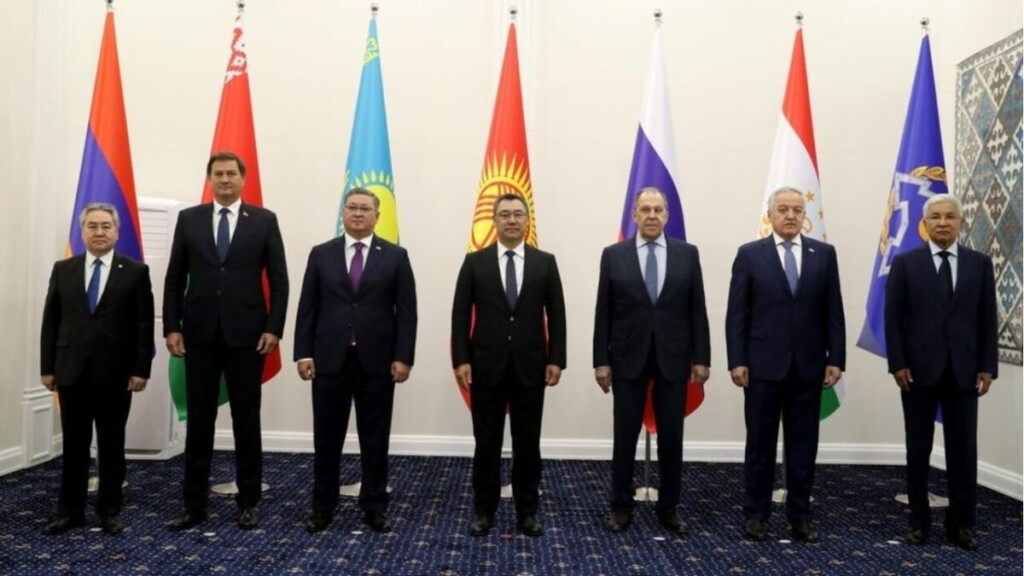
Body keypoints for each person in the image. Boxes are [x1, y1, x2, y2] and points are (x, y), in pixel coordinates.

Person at [163, 151, 289, 531]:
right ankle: (194, 506)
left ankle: (248, 502)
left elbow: (279, 280)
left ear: (242, 178)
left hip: (248, 337)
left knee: (246, 421)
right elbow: (174, 277)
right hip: (199, 336)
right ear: (210, 179)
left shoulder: (264, 220)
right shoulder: (190, 219)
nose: (224, 179)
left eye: (231, 173)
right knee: (199, 423)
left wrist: (274, 328)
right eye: (218, 174)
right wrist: (172, 326)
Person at [725, 186, 845, 543]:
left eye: (797, 209)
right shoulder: (750, 254)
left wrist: (836, 358)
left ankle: (800, 516)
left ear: (804, 215)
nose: (790, 215)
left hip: (809, 367)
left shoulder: (824, 254)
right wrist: (737, 360)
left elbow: (833, 311)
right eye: (783, 209)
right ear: (770, 214)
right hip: (761, 367)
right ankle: (756, 515)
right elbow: (737, 314)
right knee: (760, 446)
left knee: (803, 448)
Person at [294, 188, 417, 534]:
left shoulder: (395, 256)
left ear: (377, 216)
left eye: (365, 208)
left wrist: (403, 357)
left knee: (375, 438)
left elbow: (407, 312)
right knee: (326, 438)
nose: (358, 213)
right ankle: (323, 506)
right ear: (343, 213)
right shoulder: (321, 254)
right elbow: (307, 308)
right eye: (352, 207)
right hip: (328, 360)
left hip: (377, 362)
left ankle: (374, 506)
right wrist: (303, 352)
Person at [593, 187, 711, 536]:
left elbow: (697, 310)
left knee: (672, 438)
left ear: (667, 215)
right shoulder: (613, 255)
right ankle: (620, 505)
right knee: (625, 435)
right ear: (634, 215)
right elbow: (604, 312)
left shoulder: (687, 254)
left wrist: (702, 358)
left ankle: (669, 506)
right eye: (645, 209)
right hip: (627, 358)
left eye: (658, 210)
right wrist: (601, 361)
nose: (652, 216)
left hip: (674, 358)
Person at [885, 194, 997, 551]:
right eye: (935, 216)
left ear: (960, 222)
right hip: (916, 373)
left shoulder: (980, 264)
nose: (943, 222)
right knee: (917, 450)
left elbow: (987, 319)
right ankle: (919, 522)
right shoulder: (905, 264)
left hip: (965, 372)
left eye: (950, 216)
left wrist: (987, 366)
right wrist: (898, 363)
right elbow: (893, 318)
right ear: (925, 223)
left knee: (963, 452)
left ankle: (962, 524)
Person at [451, 193, 566, 538]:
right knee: (486, 442)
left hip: (531, 366)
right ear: (495, 220)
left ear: (527, 221)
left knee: (527, 443)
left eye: (518, 214)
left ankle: (527, 512)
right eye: (505, 215)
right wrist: (461, 359)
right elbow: (460, 315)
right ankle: (483, 511)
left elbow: (557, 314)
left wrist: (557, 359)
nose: (512, 220)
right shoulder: (475, 262)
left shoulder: (545, 263)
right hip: (485, 366)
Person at [39, 203, 154, 535]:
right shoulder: (64, 269)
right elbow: (51, 321)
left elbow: (143, 325)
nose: (99, 232)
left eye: (106, 226)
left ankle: (109, 511)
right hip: (70, 370)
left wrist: (141, 370)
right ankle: (69, 511)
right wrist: (47, 367)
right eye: (92, 226)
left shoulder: (135, 271)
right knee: (74, 445)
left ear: (117, 232)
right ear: (82, 231)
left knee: (111, 445)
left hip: (116, 374)